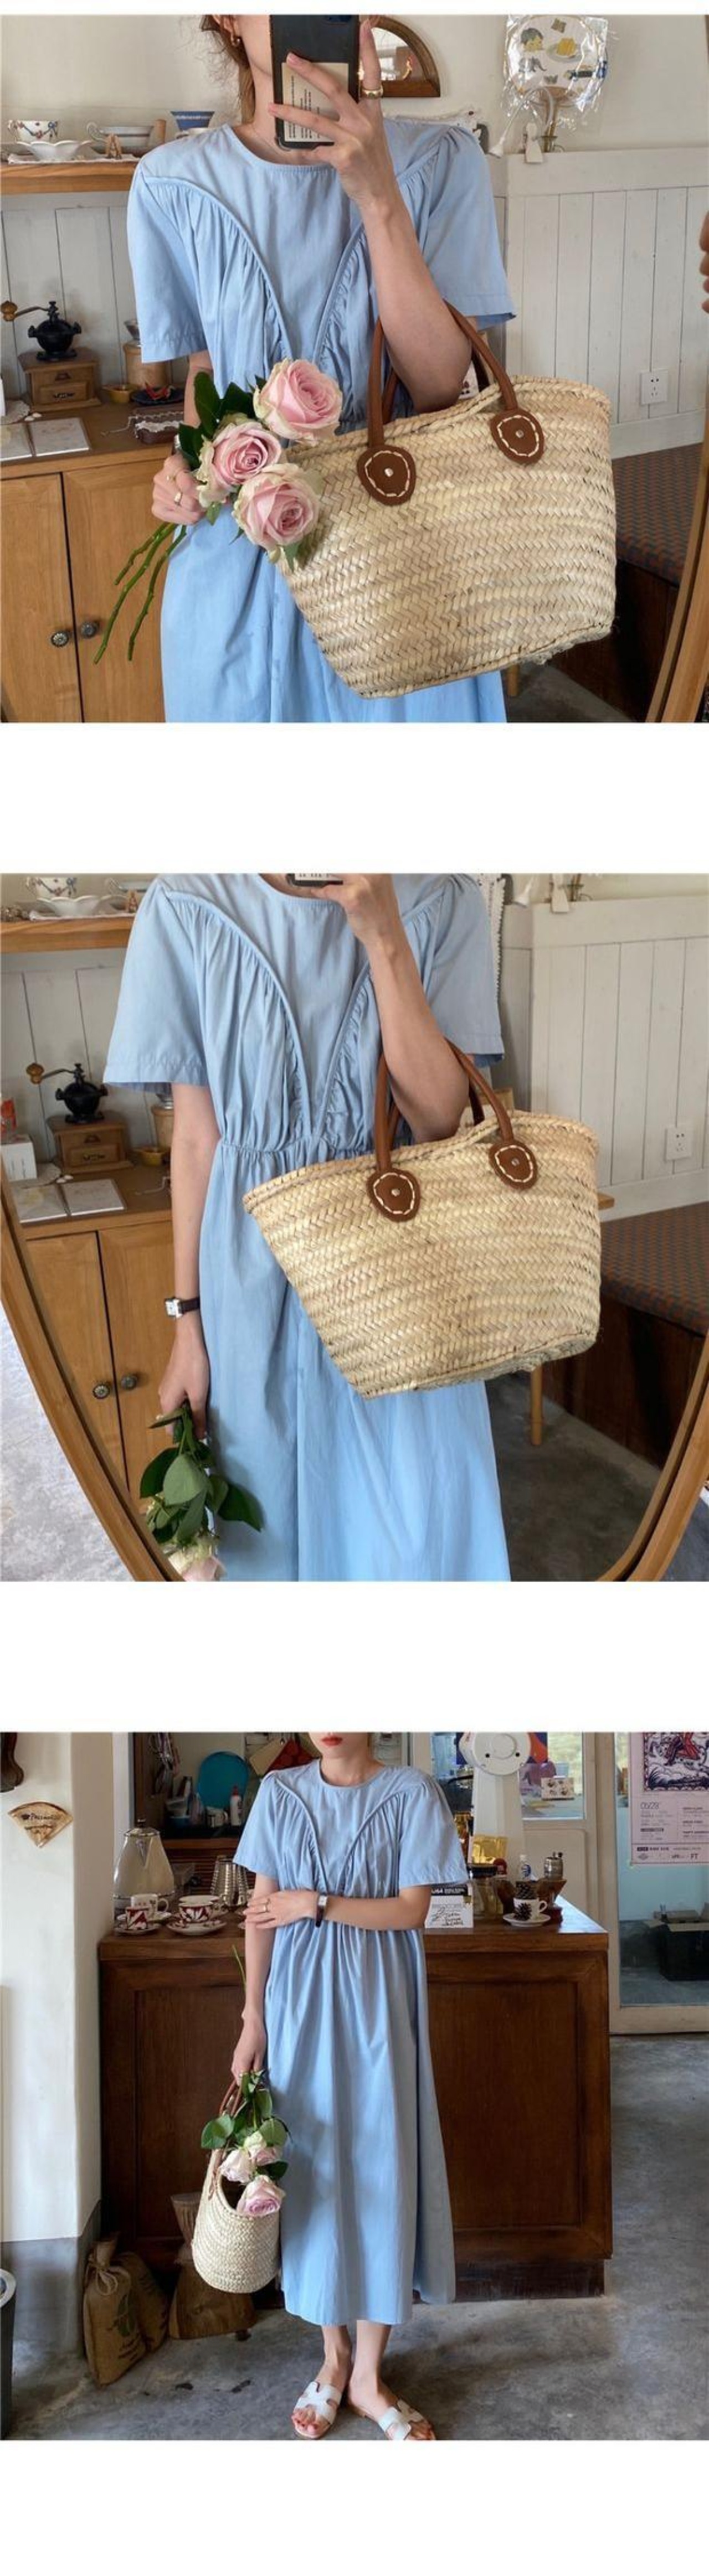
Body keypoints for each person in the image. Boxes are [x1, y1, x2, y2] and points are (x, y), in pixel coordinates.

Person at [104, 871, 510, 1583]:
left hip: (400, 1280)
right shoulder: (188, 904)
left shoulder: (442, 899)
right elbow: (196, 1140)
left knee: (412, 1543)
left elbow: (438, 1119)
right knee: (273, 1541)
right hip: (251, 1291)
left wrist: (384, 936)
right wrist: (187, 1327)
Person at [128, 14, 513, 722]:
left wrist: (377, 193)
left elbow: (437, 386)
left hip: (400, 555)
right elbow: (207, 370)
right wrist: (186, 466)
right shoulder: (170, 181)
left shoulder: (442, 159)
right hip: (238, 558)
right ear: (226, 16)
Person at [234, 1731, 468, 2439]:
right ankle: (332, 2359)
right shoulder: (279, 1793)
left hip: (377, 2006)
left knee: (379, 2168)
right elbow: (260, 1916)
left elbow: (411, 1909)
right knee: (313, 2173)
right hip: (297, 2008)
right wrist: (252, 2019)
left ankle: (367, 2375)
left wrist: (317, 1903)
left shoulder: (411, 1792)